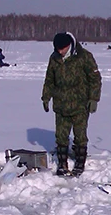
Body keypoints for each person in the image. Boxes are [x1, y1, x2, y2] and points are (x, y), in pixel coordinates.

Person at [42, 32, 102, 176]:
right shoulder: (54, 58)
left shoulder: (84, 56)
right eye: (57, 49)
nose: (59, 52)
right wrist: (46, 97)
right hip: (61, 104)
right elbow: (49, 79)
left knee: (80, 136)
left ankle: (79, 165)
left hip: (80, 105)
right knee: (61, 136)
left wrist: (94, 99)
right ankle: (62, 164)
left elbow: (95, 79)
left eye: (62, 49)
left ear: (68, 46)